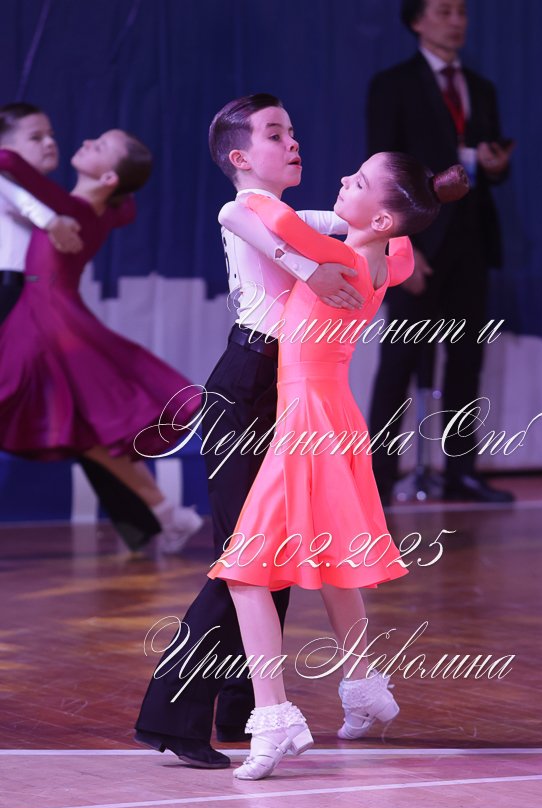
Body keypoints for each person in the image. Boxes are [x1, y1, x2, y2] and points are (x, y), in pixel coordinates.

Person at [208, 153, 468, 780]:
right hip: (336, 415)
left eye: (359, 181)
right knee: (331, 563)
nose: (344, 179)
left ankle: (274, 718)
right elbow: (401, 243)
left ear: (379, 217)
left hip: (308, 420)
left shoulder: (340, 260)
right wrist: (421, 197)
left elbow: (257, 211)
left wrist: (256, 188)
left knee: (246, 570)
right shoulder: (387, 262)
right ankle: (364, 687)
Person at [134, 93, 366, 768]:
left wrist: (413, 195)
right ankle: (172, 718)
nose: (293, 143)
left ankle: (241, 708)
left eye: (293, 132)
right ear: (240, 156)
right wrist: (312, 268)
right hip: (244, 385)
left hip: (284, 387)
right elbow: (256, 227)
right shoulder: (243, 208)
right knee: (244, 558)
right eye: (275, 134)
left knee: (279, 553)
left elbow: (356, 221)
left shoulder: (290, 215)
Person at [0, 125, 203, 552]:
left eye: (101, 146)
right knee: (90, 433)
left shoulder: (70, 207)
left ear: (109, 176)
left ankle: (169, 515)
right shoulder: (106, 212)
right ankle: (169, 514)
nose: (87, 141)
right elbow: (126, 208)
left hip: (45, 320)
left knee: (80, 424)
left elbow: (8, 161)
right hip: (58, 316)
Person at [366, 0, 515, 504]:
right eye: (445, 12)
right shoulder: (393, 84)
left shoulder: (482, 88)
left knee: (467, 359)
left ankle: (460, 473)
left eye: (462, 13)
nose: (457, 22)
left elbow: (489, 166)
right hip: (419, 245)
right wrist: (399, 246)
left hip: (472, 243)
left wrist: (495, 165)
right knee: (399, 361)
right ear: (416, 21)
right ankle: (378, 478)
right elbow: (381, 174)